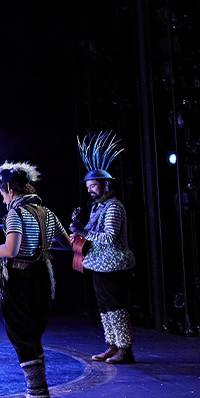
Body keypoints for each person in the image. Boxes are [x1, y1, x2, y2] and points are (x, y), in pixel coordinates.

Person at [0, 162, 68, 398]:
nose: (3, 200)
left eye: (3, 194)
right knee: (32, 335)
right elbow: (65, 244)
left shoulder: (16, 214)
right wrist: (39, 246)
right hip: (42, 278)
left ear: (11, 191)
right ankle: (40, 393)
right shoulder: (47, 213)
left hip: (20, 280)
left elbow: (11, 250)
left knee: (21, 335)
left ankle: (38, 396)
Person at [71, 132, 136, 364]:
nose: (90, 190)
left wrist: (83, 232)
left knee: (115, 305)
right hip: (99, 264)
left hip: (114, 264)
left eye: (93, 186)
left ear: (105, 184)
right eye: (88, 186)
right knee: (104, 305)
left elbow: (108, 237)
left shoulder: (113, 207)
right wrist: (77, 232)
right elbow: (89, 232)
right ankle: (113, 345)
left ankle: (125, 349)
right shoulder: (98, 207)